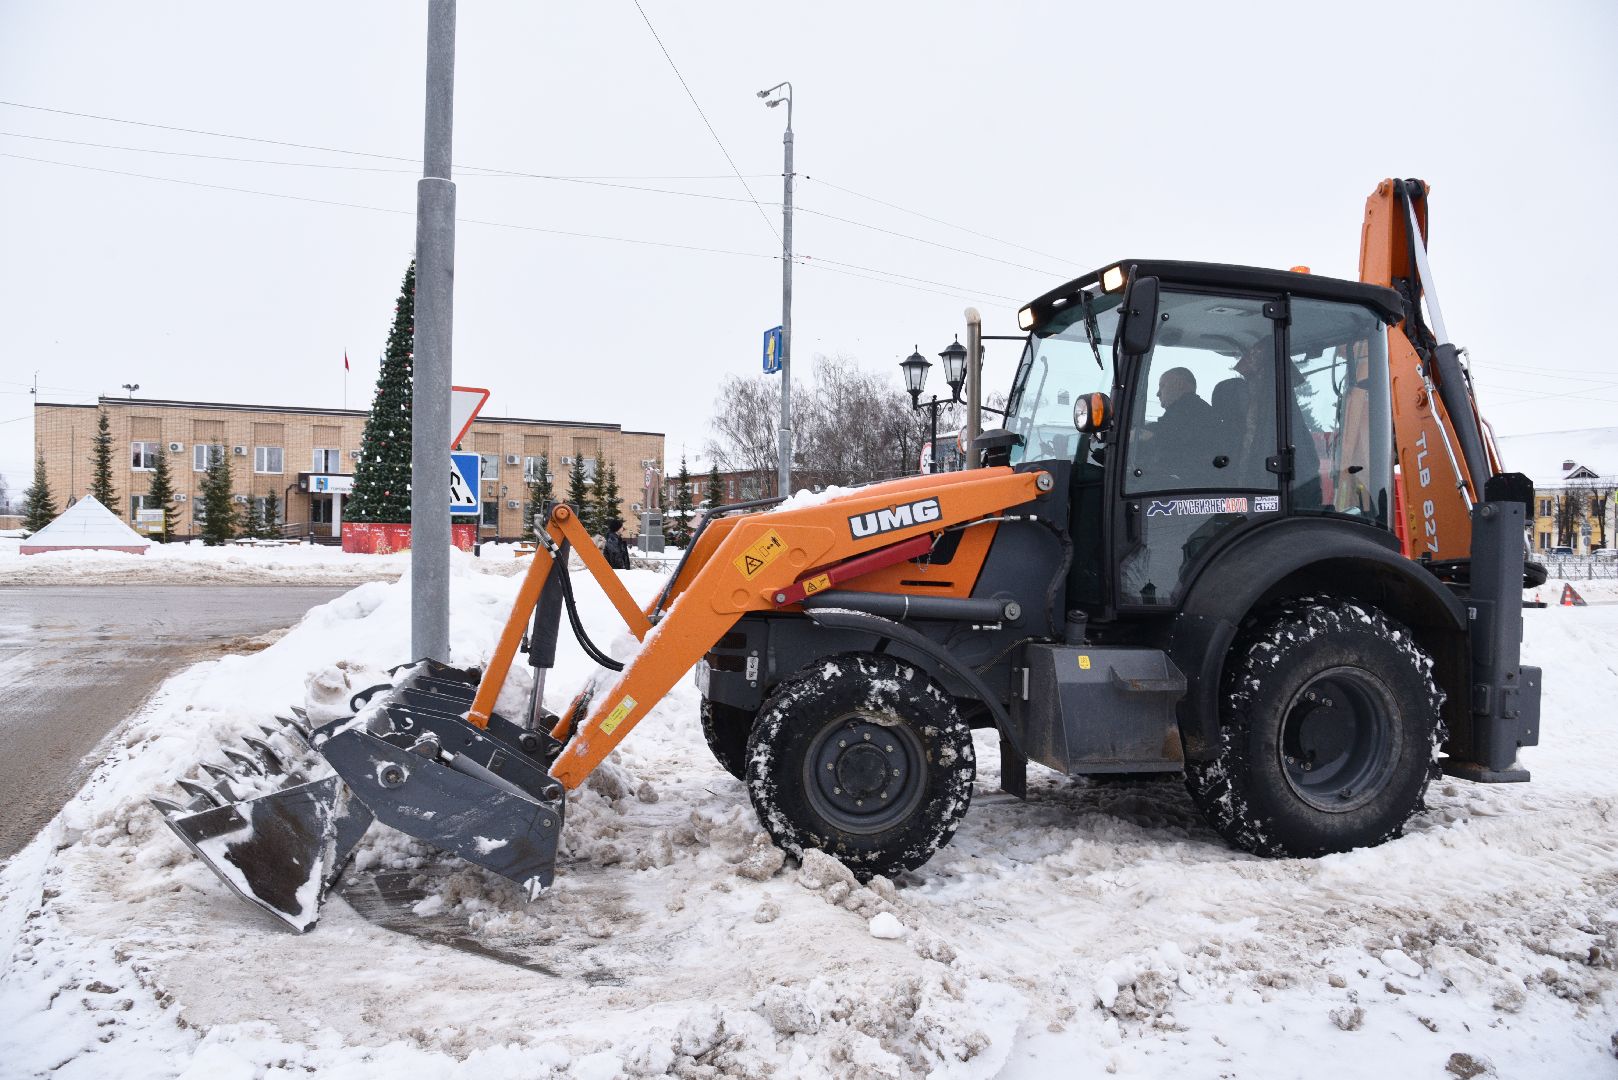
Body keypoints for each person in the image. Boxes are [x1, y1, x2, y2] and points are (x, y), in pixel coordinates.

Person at [1145, 366, 1220, 478]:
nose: (1158, 393)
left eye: (1162, 386)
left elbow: (1165, 433)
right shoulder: (1195, 409)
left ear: (1179, 384)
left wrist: (1141, 434)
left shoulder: (1186, 410)